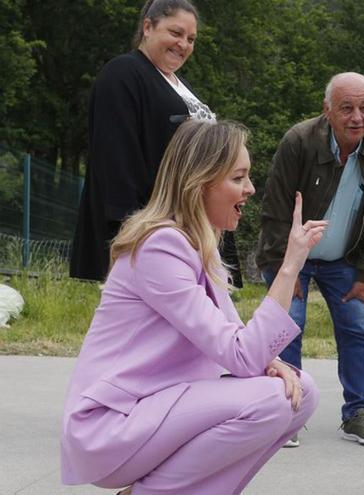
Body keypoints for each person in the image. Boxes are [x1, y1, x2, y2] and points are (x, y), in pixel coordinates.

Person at [61, 119, 323, 495]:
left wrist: (270, 361)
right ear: (199, 183)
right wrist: (290, 266)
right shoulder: (160, 246)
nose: (250, 189)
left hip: (156, 411)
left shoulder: (199, 248)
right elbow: (242, 356)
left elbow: (240, 345)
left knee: (302, 390)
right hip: (112, 425)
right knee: (272, 398)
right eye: (239, 177)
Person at [256, 72, 364, 448]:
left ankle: (357, 413)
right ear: (327, 110)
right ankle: (285, 412)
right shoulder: (298, 141)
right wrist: (286, 271)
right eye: (346, 108)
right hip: (295, 253)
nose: (357, 117)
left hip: (344, 258)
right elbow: (273, 211)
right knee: (288, 322)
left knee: (356, 323)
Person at [70, 0, 243, 286]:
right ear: (147, 27)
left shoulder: (180, 84)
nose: (184, 45)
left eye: (191, 39)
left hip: (196, 227)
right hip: (155, 233)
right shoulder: (123, 74)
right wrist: (129, 231)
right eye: (175, 33)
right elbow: (115, 161)